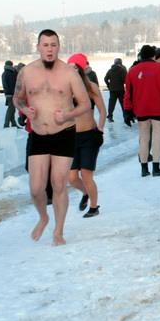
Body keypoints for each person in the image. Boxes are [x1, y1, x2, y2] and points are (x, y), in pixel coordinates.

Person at [13, 29, 91, 246]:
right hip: (38, 134)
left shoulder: (69, 73)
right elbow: (17, 98)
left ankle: (58, 231)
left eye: (53, 45)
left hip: (64, 132)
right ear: (38, 47)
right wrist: (24, 110)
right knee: (36, 188)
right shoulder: (27, 72)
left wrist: (67, 115)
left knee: (58, 183)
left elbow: (85, 104)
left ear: (58, 47)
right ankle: (43, 217)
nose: (49, 49)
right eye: (45, 45)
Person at [123, 45, 160, 177]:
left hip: (141, 109)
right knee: (157, 137)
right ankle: (156, 168)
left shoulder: (132, 71)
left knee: (144, 138)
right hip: (158, 108)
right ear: (153, 55)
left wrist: (127, 110)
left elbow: (128, 92)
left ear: (141, 55)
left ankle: (144, 168)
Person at [67, 53, 106, 217]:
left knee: (86, 174)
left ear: (81, 69)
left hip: (90, 135)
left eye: (74, 68)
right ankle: (85, 193)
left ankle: (94, 207)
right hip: (71, 137)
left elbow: (102, 110)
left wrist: (100, 128)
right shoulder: (64, 89)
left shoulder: (91, 87)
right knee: (71, 177)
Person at [104, 58, 127, 123]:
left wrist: (109, 85)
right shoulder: (122, 70)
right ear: (121, 63)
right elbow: (125, 80)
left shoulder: (110, 70)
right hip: (120, 90)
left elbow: (105, 79)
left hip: (112, 90)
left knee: (111, 104)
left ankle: (110, 116)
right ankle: (125, 117)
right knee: (123, 104)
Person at [2, 60, 20, 128]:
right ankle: (6, 124)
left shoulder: (4, 73)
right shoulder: (10, 73)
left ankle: (13, 124)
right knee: (11, 109)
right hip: (11, 93)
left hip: (7, 93)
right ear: (11, 65)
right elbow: (13, 84)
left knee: (12, 109)